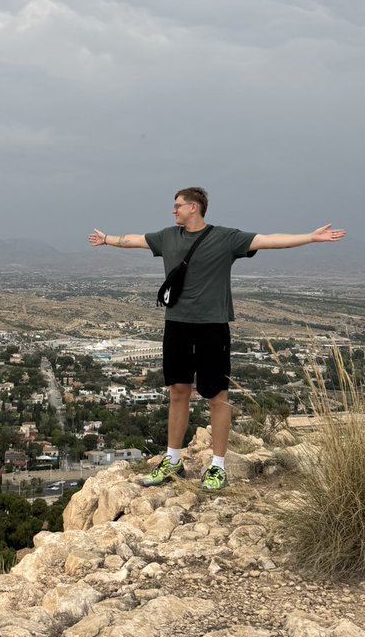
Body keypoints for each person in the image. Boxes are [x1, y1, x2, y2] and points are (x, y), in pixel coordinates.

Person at [89, 187, 345, 491]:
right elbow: (134, 240)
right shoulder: (167, 236)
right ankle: (172, 461)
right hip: (177, 325)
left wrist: (310, 237)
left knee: (217, 396)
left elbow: (268, 240)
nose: (173, 211)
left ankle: (218, 466)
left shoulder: (226, 237)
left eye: (178, 206)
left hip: (213, 326)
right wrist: (107, 240)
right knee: (178, 391)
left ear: (194, 207)